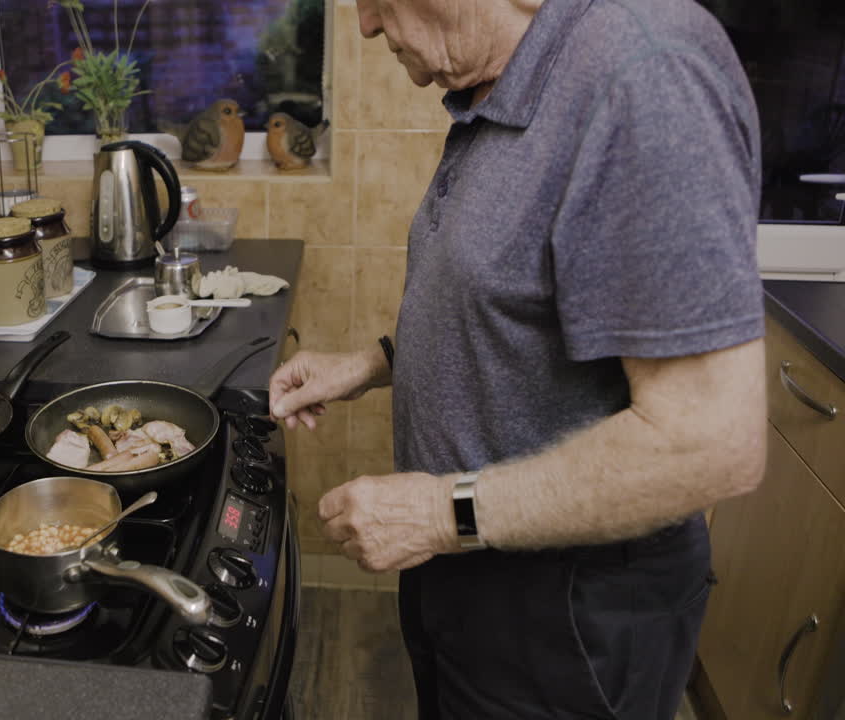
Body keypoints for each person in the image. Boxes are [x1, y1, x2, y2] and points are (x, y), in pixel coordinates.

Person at [268, 0, 767, 717]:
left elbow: (708, 443)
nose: (367, 25)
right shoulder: (507, 80)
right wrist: (373, 363)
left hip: (567, 615)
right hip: (468, 565)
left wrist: (438, 513)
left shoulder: (646, 74)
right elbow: (515, 301)